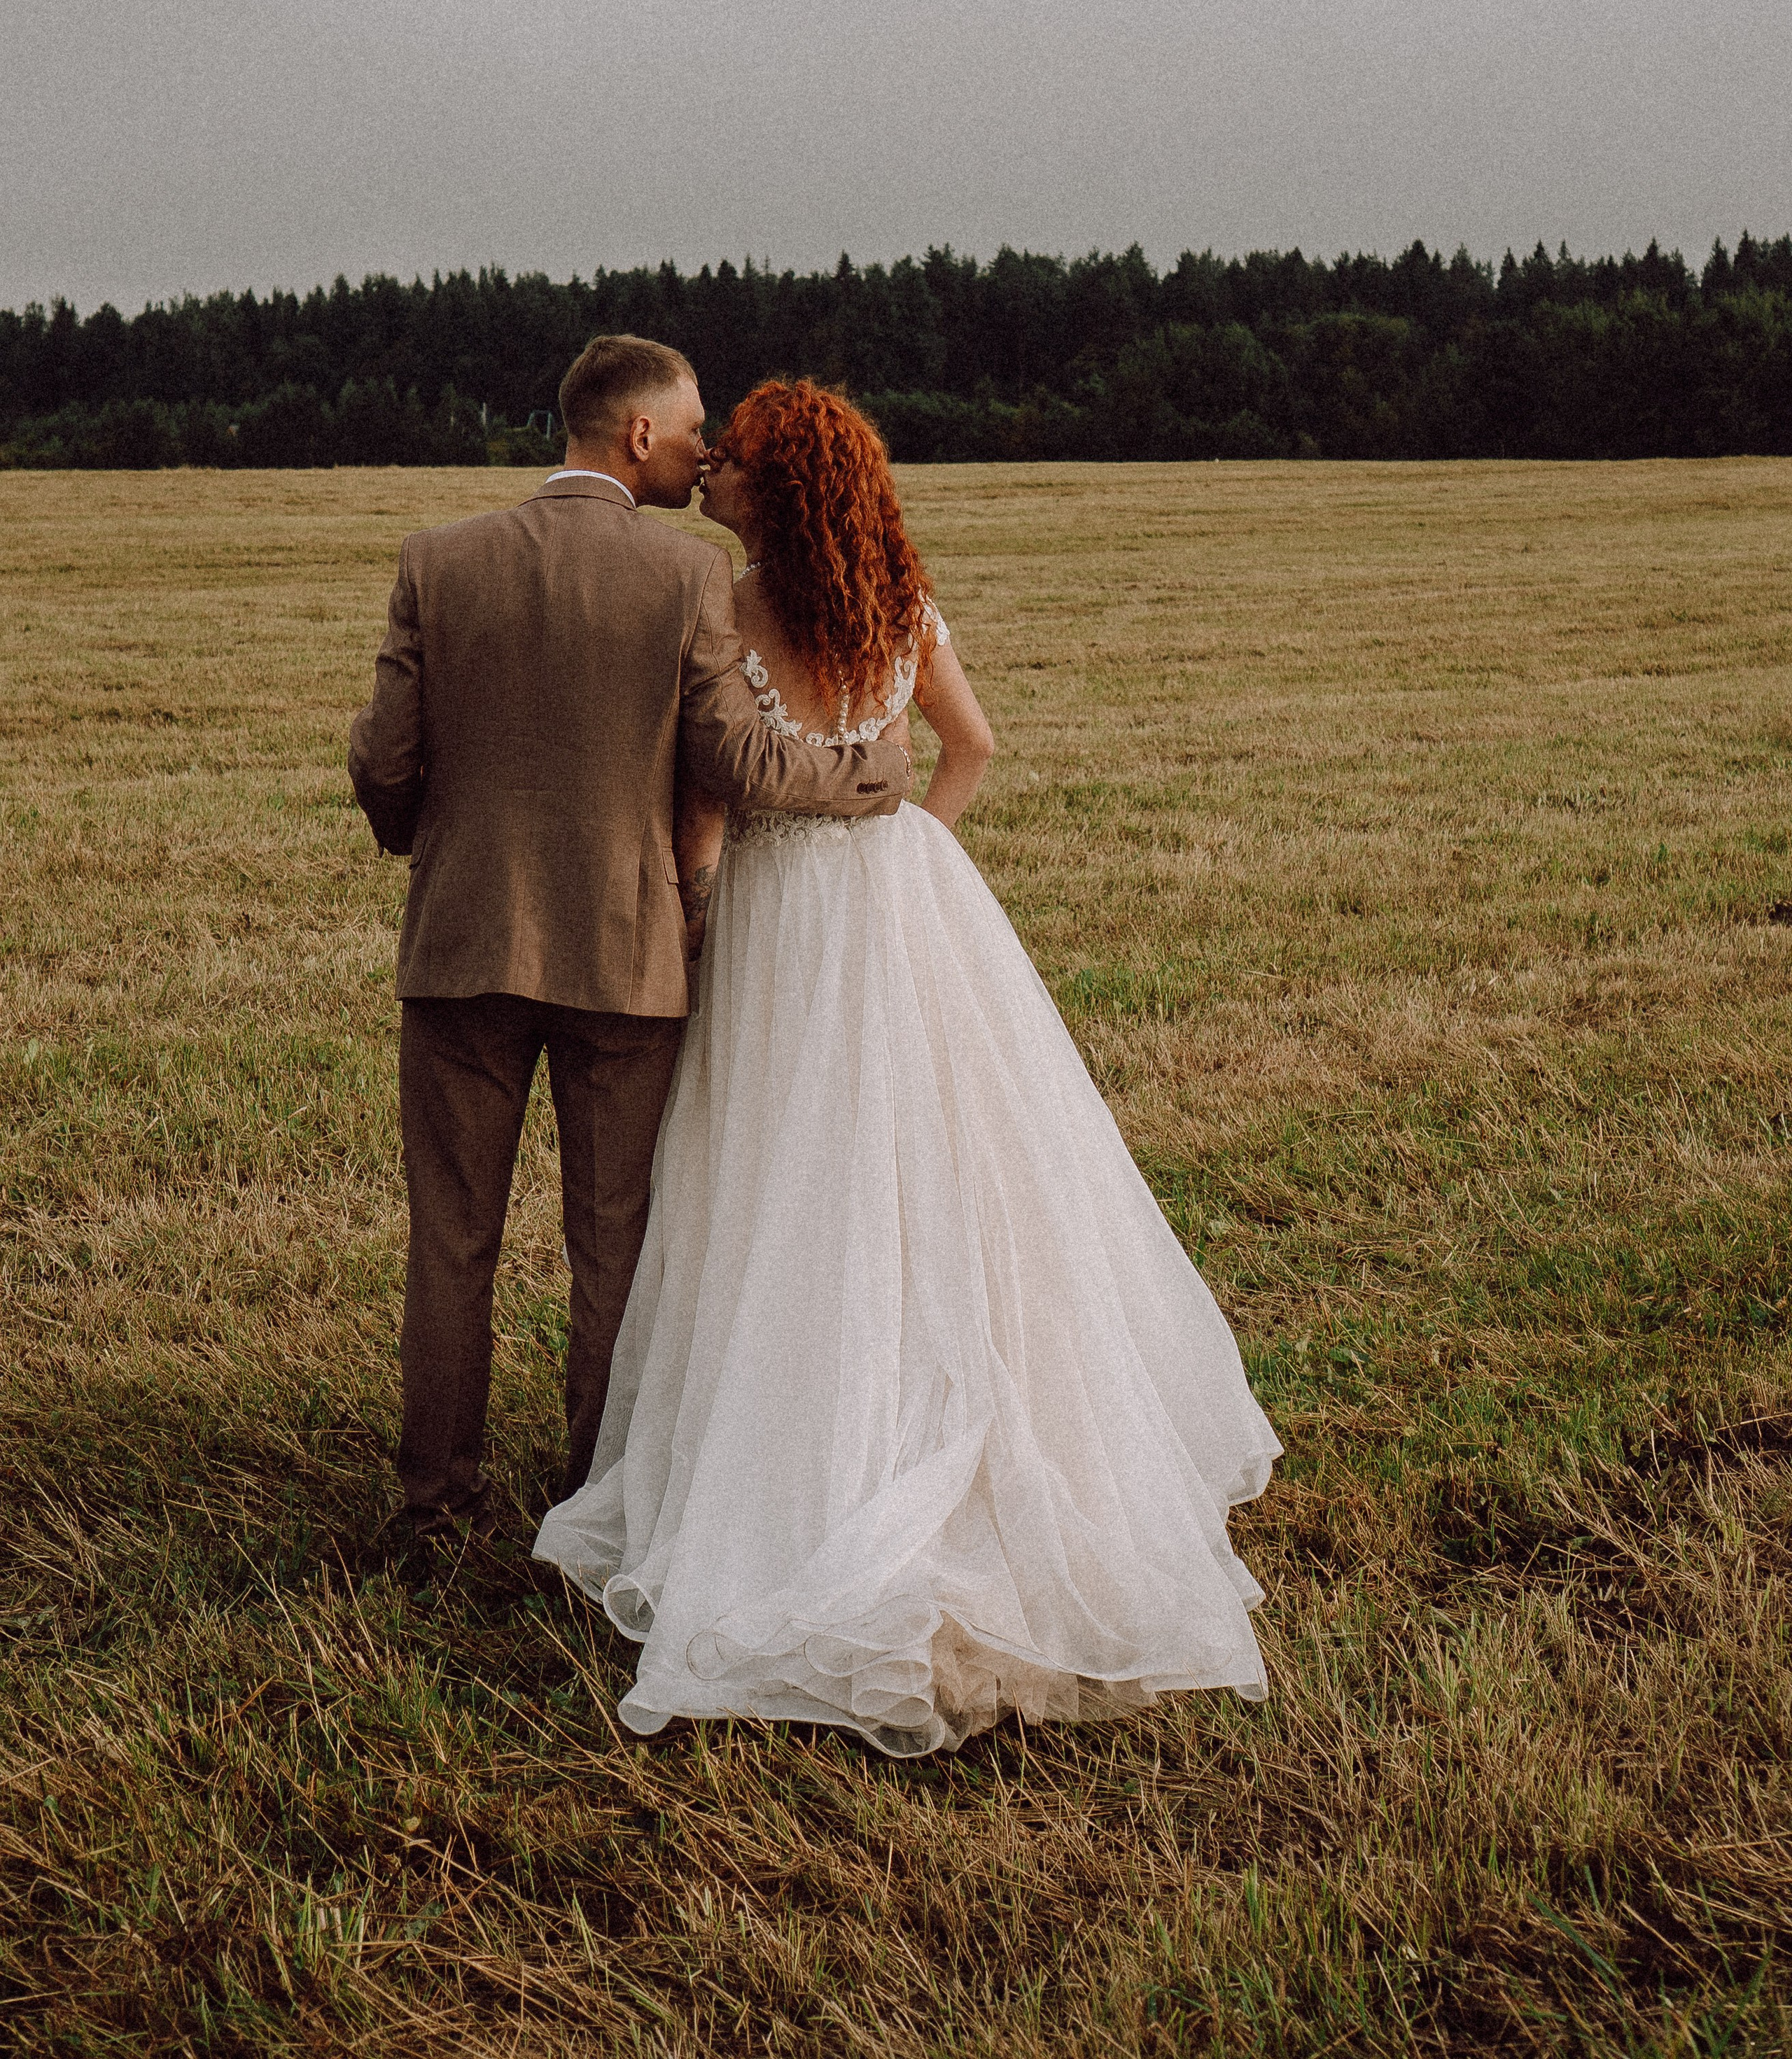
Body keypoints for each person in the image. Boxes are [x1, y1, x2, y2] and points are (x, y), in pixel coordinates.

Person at [535, 378, 1281, 1755]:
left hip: (777, 919)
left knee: (779, 1173)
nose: (712, 476)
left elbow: (705, 810)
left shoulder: (723, 607)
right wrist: (914, 849)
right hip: (896, 906)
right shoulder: (893, 602)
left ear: (782, 487)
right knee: (935, 1159)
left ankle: (801, 1453)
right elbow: (973, 746)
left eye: (738, 463)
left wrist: (700, 913)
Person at [347, 337, 911, 1546]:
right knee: (615, 1245)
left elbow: (384, 764)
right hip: (626, 959)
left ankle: (432, 1505)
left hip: (462, 947)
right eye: (697, 425)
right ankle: (597, 1497)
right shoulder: (685, 579)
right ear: (640, 437)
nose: (710, 448)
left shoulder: (437, 561)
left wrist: (426, 841)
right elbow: (739, 761)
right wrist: (875, 767)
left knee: (451, 1239)